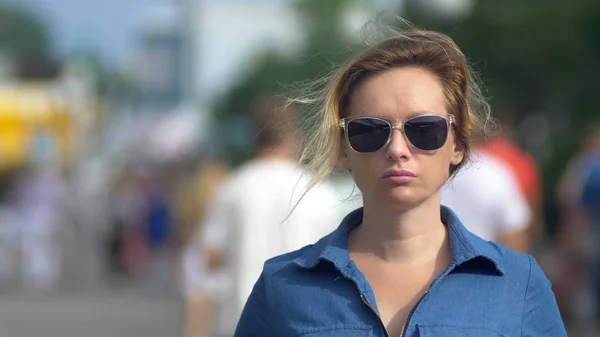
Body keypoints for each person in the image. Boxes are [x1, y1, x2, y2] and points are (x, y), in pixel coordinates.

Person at [234, 26, 566, 336]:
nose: (396, 149)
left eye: (423, 129)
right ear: (344, 149)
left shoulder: (519, 284)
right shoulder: (281, 286)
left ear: (459, 144)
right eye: (369, 131)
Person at [182, 97, 345, 337]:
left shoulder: (233, 187)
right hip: (306, 319)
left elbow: (209, 258)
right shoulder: (318, 191)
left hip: (243, 317)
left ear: (253, 137)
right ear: (293, 136)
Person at [441, 148, 532, 253]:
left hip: (437, 263)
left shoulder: (430, 173)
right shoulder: (496, 173)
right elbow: (515, 234)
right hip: (484, 262)